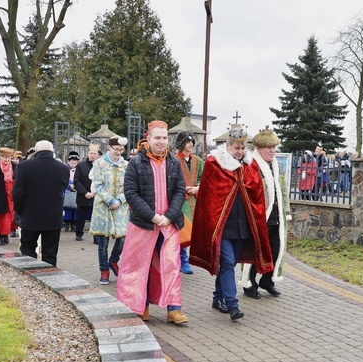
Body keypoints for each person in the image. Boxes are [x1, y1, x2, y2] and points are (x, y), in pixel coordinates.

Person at [190, 124, 274, 321]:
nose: (241, 152)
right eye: (237, 148)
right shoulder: (214, 164)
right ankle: (232, 304)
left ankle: (217, 297)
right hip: (222, 225)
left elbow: (257, 195)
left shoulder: (250, 165)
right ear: (228, 146)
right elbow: (209, 198)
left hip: (242, 225)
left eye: (243, 148)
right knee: (227, 262)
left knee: (230, 263)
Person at [116, 121, 188, 325]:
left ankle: (174, 309)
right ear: (148, 138)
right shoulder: (136, 163)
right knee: (140, 266)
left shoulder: (174, 163)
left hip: (169, 225)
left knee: (172, 265)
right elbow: (131, 193)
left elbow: (179, 191)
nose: (161, 142)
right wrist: (152, 216)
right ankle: (140, 306)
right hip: (143, 224)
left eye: (164, 138)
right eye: (157, 138)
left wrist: (169, 216)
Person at [240, 126, 289, 299]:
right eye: (269, 147)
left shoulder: (276, 166)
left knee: (276, 250)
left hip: (276, 218)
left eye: (274, 147)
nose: (272, 151)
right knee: (255, 252)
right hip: (258, 217)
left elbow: (282, 191)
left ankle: (267, 281)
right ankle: (249, 283)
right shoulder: (250, 165)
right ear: (258, 149)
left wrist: (287, 212)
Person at [12, 140, 70, 267]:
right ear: (53, 152)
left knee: (27, 249)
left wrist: (20, 211)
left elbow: (17, 193)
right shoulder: (64, 168)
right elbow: (63, 188)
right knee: (50, 252)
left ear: (36, 151)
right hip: (53, 217)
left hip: (30, 215)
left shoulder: (23, 167)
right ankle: (49, 277)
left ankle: (30, 274)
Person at [90, 137, 129, 284]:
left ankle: (113, 261)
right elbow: (98, 185)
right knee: (103, 241)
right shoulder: (99, 163)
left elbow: (129, 186)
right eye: (116, 149)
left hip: (121, 206)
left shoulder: (126, 165)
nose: (119, 152)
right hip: (103, 206)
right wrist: (110, 200)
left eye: (121, 149)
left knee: (122, 237)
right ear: (109, 148)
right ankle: (104, 269)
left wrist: (119, 200)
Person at [174, 130, 203, 274]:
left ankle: (186, 258)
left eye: (192, 142)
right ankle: (182, 259)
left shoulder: (198, 161)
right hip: (180, 201)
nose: (190, 144)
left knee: (193, 232)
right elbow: (170, 180)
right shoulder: (173, 160)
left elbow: (203, 177)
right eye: (187, 142)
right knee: (182, 230)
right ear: (181, 143)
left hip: (194, 201)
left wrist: (198, 188)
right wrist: (183, 188)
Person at [74, 143, 100, 241]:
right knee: (81, 215)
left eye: (94, 153)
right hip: (83, 195)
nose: (92, 155)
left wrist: (94, 193)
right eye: (91, 153)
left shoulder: (100, 165)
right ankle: (79, 233)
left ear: (97, 155)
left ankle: (96, 236)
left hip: (96, 195)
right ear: (88, 154)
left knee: (96, 218)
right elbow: (77, 180)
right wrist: (85, 193)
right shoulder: (81, 165)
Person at [62, 150, 80, 232]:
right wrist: (70, 184)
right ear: (69, 160)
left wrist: (76, 185)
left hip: (77, 189)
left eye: (75, 160)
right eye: (72, 160)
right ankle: (67, 223)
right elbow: (63, 177)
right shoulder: (65, 168)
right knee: (67, 207)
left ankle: (74, 224)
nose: (74, 162)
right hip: (67, 189)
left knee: (76, 207)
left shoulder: (79, 168)